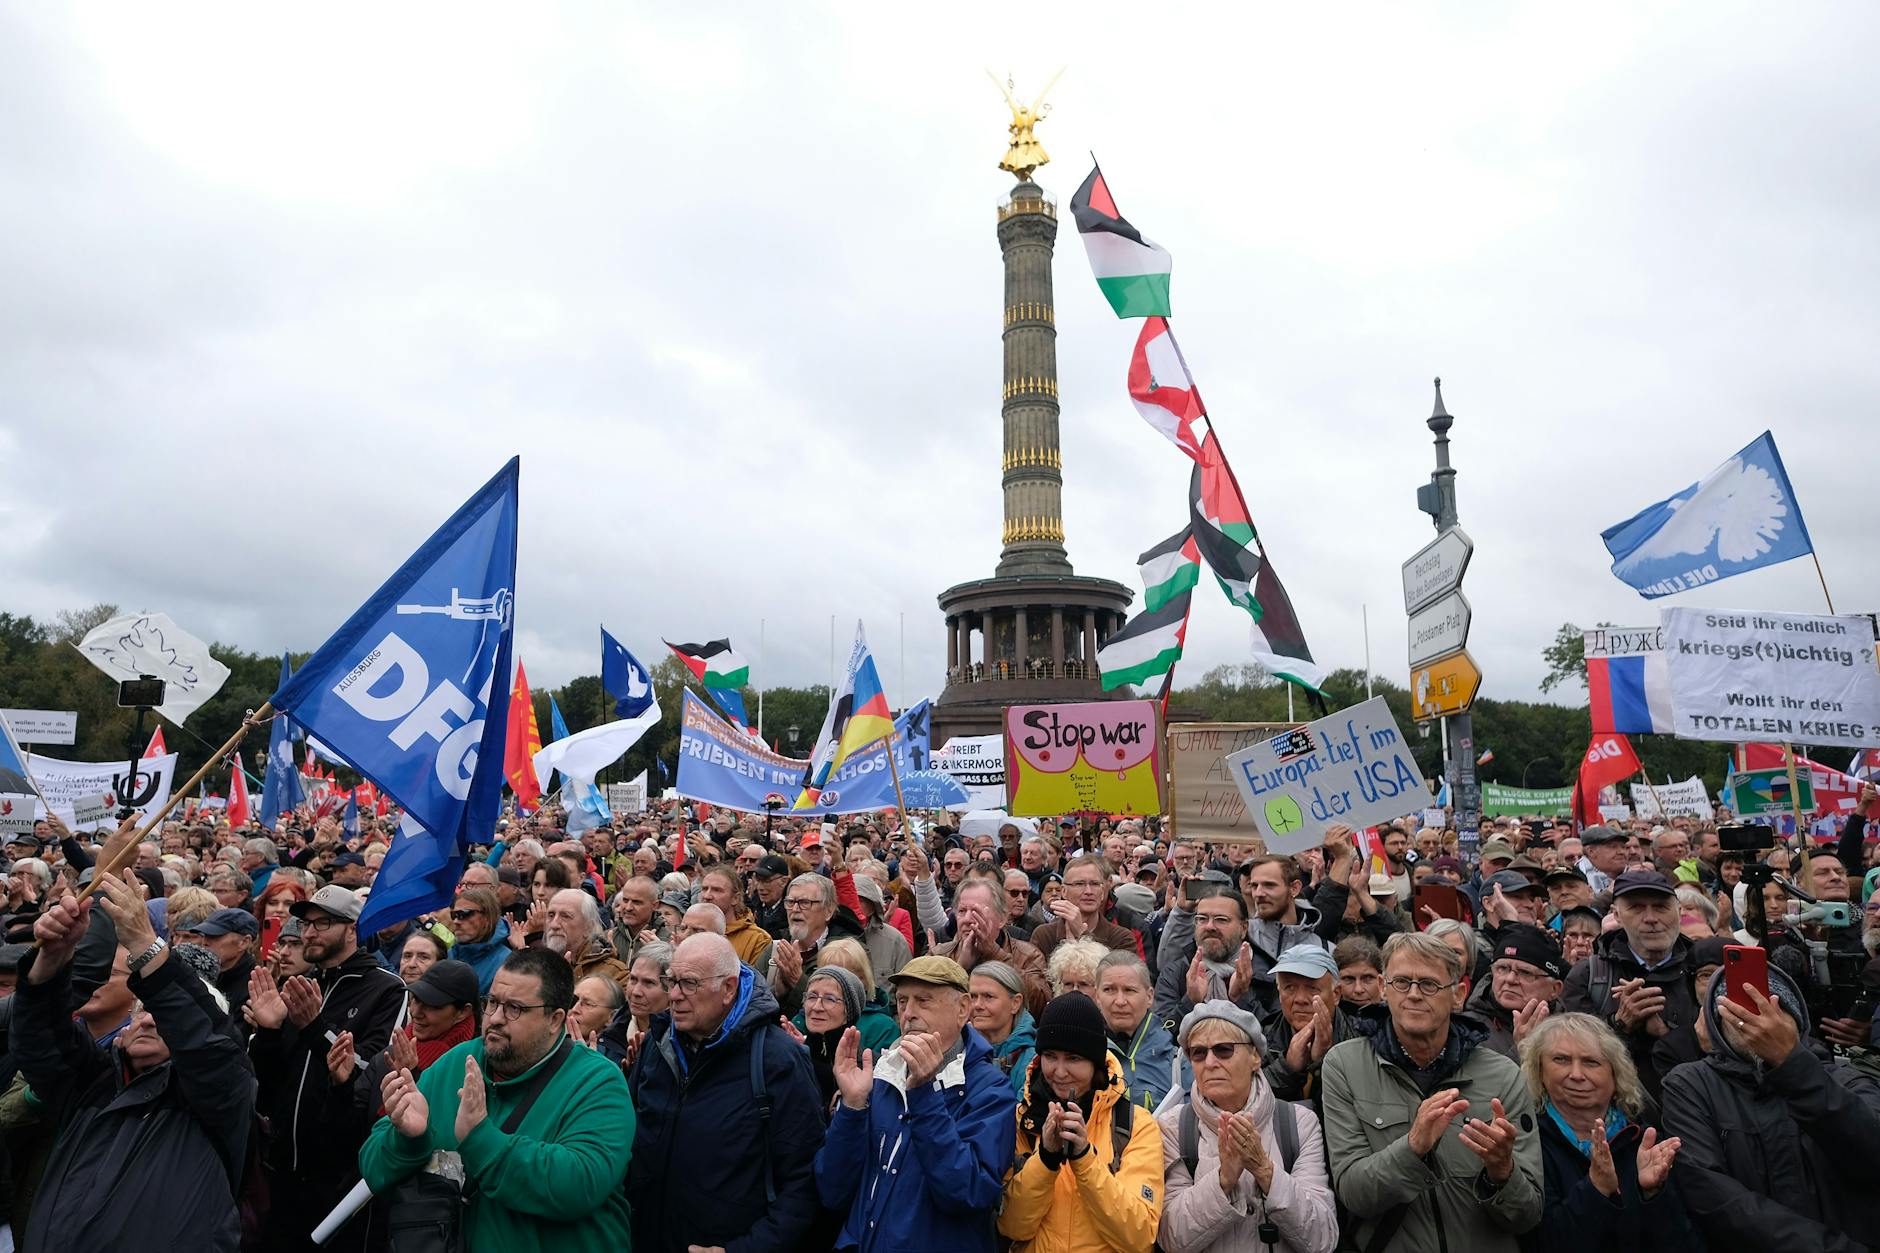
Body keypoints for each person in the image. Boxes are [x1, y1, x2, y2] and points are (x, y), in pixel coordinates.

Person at [15, 873, 255, 1252]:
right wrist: (51, 960)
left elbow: (205, 1043)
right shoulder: (94, 1085)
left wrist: (145, 943)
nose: (146, 1019)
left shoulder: (218, 1096)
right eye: (140, 1011)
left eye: (161, 1013)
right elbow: (40, 1042)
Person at [359, 947, 634, 1253]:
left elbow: (580, 1185)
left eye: (515, 1008)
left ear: (555, 1019)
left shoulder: (598, 1081)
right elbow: (372, 1168)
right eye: (492, 1003)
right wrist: (408, 1139)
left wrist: (480, 1138)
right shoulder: (457, 1062)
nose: (496, 1018)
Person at [1321, 931, 1543, 1252]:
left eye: (1428, 984)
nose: (1413, 995)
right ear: (1383, 988)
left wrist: (1501, 1172)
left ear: (1459, 994)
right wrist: (1412, 1148)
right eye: (1401, 983)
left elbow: (1528, 1215)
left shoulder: (1503, 1075)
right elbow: (1355, 1196)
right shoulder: (1344, 1065)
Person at [626, 932, 826, 1252]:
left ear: (728, 988)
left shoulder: (777, 1060)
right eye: (671, 981)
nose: (674, 995)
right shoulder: (657, 1043)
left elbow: (804, 1180)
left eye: (689, 984)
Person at [1658, 962, 1880, 1249]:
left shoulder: (1846, 1080)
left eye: (1774, 1008)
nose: (1757, 1019)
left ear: (1797, 1021)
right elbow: (1712, 1195)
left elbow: (1870, 1153)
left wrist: (1791, 1064)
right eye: (1739, 1010)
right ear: (1716, 1023)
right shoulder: (1690, 1085)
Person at [815, 954, 1018, 1253]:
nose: (908, 1013)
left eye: (923, 1001)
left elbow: (967, 1193)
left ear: (963, 1009)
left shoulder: (991, 1089)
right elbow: (832, 1190)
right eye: (901, 1001)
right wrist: (853, 1106)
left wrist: (925, 1094)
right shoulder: (882, 1075)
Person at [249, 884, 408, 1252]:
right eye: (306, 924)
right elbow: (270, 1082)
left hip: (337, 1175)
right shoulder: (302, 985)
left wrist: (314, 1027)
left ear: (352, 929)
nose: (308, 933)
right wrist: (269, 1032)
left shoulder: (386, 989)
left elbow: (371, 1071)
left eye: (323, 924)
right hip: (283, 1169)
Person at [1155, 1000, 1339, 1253]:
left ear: (1254, 1057)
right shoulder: (1173, 1127)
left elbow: (1323, 1238)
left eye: (1223, 1050)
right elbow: (1170, 1238)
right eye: (1198, 1053)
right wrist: (1223, 1181)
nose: (1209, 1063)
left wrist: (1265, 1171)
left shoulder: (1298, 1122)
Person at [996, 991, 1164, 1252]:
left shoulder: (1134, 1125)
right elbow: (1012, 1226)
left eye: (1073, 1058)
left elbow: (1139, 1236)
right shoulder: (1022, 1121)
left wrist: (1084, 1159)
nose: (1059, 1072)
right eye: (1051, 1056)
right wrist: (1046, 1160)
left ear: (1096, 1063)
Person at [1518, 1012, 1698, 1253]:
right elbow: (1542, 1243)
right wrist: (1595, 1190)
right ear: (1539, 1071)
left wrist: (1652, 1194)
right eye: (1560, 1059)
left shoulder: (1644, 1141)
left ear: (1616, 1075)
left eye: (1591, 1062)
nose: (1576, 1074)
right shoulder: (1528, 1142)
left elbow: (1683, 1243)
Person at [1559, 869, 1698, 1097]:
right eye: (1636, 908)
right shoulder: (1589, 974)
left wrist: (1667, 1033)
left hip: (1694, 1107)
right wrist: (1620, 1024)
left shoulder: (1702, 970)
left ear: (1679, 911)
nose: (1651, 918)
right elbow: (1570, 1052)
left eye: (1661, 907)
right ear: (1617, 915)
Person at [1260, 945, 1359, 1118]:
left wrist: (1323, 1062)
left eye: (1312, 989)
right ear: (1279, 991)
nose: (1300, 999)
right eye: (1289, 988)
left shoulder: (1362, 1038)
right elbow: (1249, 1103)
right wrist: (1287, 1067)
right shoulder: (1260, 1040)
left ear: (1336, 994)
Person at [789, 963, 900, 1115]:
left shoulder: (869, 1070)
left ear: (849, 1011)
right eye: (812, 996)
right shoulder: (793, 1058)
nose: (816, 1006)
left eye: (829, 999)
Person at [935, 877, 1052, 1016]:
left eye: (976, 911)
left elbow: (1039, 1006)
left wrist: (995, 955)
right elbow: (930, 1008)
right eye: (961, 911)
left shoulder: (1028, 955)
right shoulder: (939, 955)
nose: (967, 919)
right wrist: (959, 968)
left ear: (1002, 919)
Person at [1468, 923, 1567, 1061]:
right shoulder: (1466, 1030)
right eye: (1502, 968)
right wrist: (1522, 1050)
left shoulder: (1572, 1030)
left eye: (1525, 972)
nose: (1510, 979)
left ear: (1555, 989)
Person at [1095, 950, 1177, 1111]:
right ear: (1097, 996)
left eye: (1129, 990)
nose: (1120, 1001)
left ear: (1149, 996)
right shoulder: (1081, 1054)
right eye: (1109, 990)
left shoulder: (1176, 1060)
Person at [1027, 857, 1140, 959]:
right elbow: (1036, 980)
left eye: (1095, 884)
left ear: (1102, 892)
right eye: (1079, 884)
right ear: (1064, 891)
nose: (1088, 891)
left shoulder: (1122, 938)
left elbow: (1117, 980)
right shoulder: (1044, 935)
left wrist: (1083, 935)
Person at [544, 888, 633, 999]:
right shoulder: (536, 967)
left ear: (588, 927)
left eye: (565, 916)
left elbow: (617, 1015)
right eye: (551, 915)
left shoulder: (615, 974)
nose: (554, 925)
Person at [971, 959, 1038, 1095]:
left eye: (988, 996)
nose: (977, 1005)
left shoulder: (1033, 1061)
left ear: (1015, 1003)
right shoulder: (959, 1050)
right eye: (973, 996)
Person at [698, 863, 774, 972]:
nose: (707, 896)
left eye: (717, 890)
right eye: (704, 889)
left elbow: (754, 985)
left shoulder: (758, 939)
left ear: (735, 898)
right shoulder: (689, 930)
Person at [447, 883, 513, 994]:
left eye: (464, 914)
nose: (456, 921)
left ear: (487, 917)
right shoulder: (450, 954)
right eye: (454, 915)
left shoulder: (507, 961)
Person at [1334, 936, 1384, 1010]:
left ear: (1382, 982)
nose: (1358, 989)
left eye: (1368, 978)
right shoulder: (1323, 1020)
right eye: (1348, 979)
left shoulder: (1399, 1019)